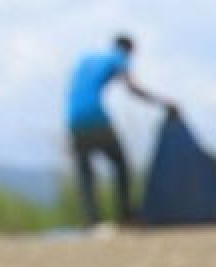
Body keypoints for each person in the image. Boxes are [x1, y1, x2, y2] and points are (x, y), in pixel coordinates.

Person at [66, 34, 176, 226]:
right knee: (121, 165)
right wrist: (164, 103)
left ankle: (92, 221)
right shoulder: (119, 58)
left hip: (73, 119)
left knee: (85, 173)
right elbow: (132, 88)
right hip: (95, 117)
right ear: (129, 50)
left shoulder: (86, 59)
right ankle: (125, 215)